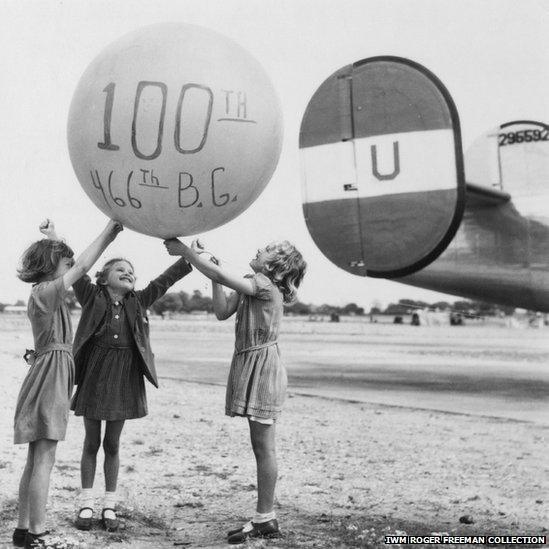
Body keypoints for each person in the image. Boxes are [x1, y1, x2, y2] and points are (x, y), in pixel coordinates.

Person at [164, 238, 306, 545]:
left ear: (274, 266)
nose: (258, 249)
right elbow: (221, 311)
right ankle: (264, 517)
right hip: (254, 364)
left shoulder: (264, 285)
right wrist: (211, 270)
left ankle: (265, 518)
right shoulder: (253, 285)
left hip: (263, 369)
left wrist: (189, 253)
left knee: (263, 447)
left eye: (266, 250)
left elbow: (219, 275)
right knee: (260, 446)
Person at [13, 219, 122, 549]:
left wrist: (54, 238)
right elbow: (84, 263)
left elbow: (72, 261)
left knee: (36, 459)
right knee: (45, 458)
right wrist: (109, 229)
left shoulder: (42, 292)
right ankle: (38, 533)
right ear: (51, 267)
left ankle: (22, 530)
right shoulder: (48, 292)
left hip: (46, 370)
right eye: (65, 264)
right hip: (51, 374)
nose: (71, 268)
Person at [70, 249, 192, 532]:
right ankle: (86, 502)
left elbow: (164, 281)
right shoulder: (91, 296)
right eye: (119, 269)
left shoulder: (139, 301)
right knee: (91, 442)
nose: (128, 273)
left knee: (112, 444)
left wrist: (188, 258)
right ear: (102, 279)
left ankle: (109, 505)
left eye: (131, 271)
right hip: (95, 373)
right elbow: (79, 267)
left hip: (125, 375)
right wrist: (56, 239)